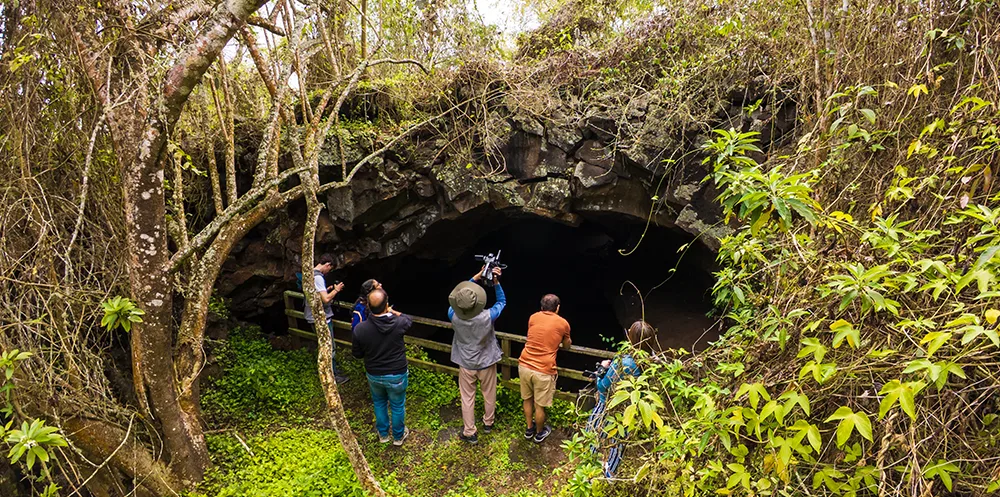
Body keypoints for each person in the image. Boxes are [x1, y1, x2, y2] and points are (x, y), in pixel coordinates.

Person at [587, 320, 655, 478]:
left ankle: (590, 472)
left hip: (608, 407)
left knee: (593, 435)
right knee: (618, 446)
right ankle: (609, 477)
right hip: (629, 411)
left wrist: (602, 369)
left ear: (631, 338)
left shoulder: (624, 362)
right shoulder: (651, 360)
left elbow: (603, 386)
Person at [447, 266, 506, 444]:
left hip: (466, 362)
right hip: (487, 361)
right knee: (489, 393)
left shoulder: (453, 315)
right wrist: (495, 282)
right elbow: (501, 302)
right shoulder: (488, 316)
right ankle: (488, 423)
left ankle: (470, 432)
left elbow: (456, 298)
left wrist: (476, 277)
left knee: (467, 398)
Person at [352, 288, 412, 446]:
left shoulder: (360, 329)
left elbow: (357, 354)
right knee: (397, 405)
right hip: (397, 373)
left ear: (368, 307)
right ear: (386, 305)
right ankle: (398, 437)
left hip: (374, 373)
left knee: (379, 403)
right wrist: (392, 311)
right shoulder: (399, 323)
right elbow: (408, 320)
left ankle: (383, 435)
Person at [517, 294, 571, 443]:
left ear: (541, 306)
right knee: (539, 405)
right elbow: (566, 345)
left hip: (524, 364)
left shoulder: (533, 317)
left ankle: (529, 429)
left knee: (527, 399)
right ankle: (539, 433)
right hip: (543, 369)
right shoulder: (563, 323)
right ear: (557, 308)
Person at [303, 253, 348, 384]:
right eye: (330, 268)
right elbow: (326, 299)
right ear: (327, 265)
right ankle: (332, 376)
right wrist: (336, 290)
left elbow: (317, 294)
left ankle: (332, 370)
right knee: (329, 347)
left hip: (312, 315)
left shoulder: (309, 272)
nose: (329, 271)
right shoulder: (318, 278)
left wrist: (327, 289)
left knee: (325, 345)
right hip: (321, 318)